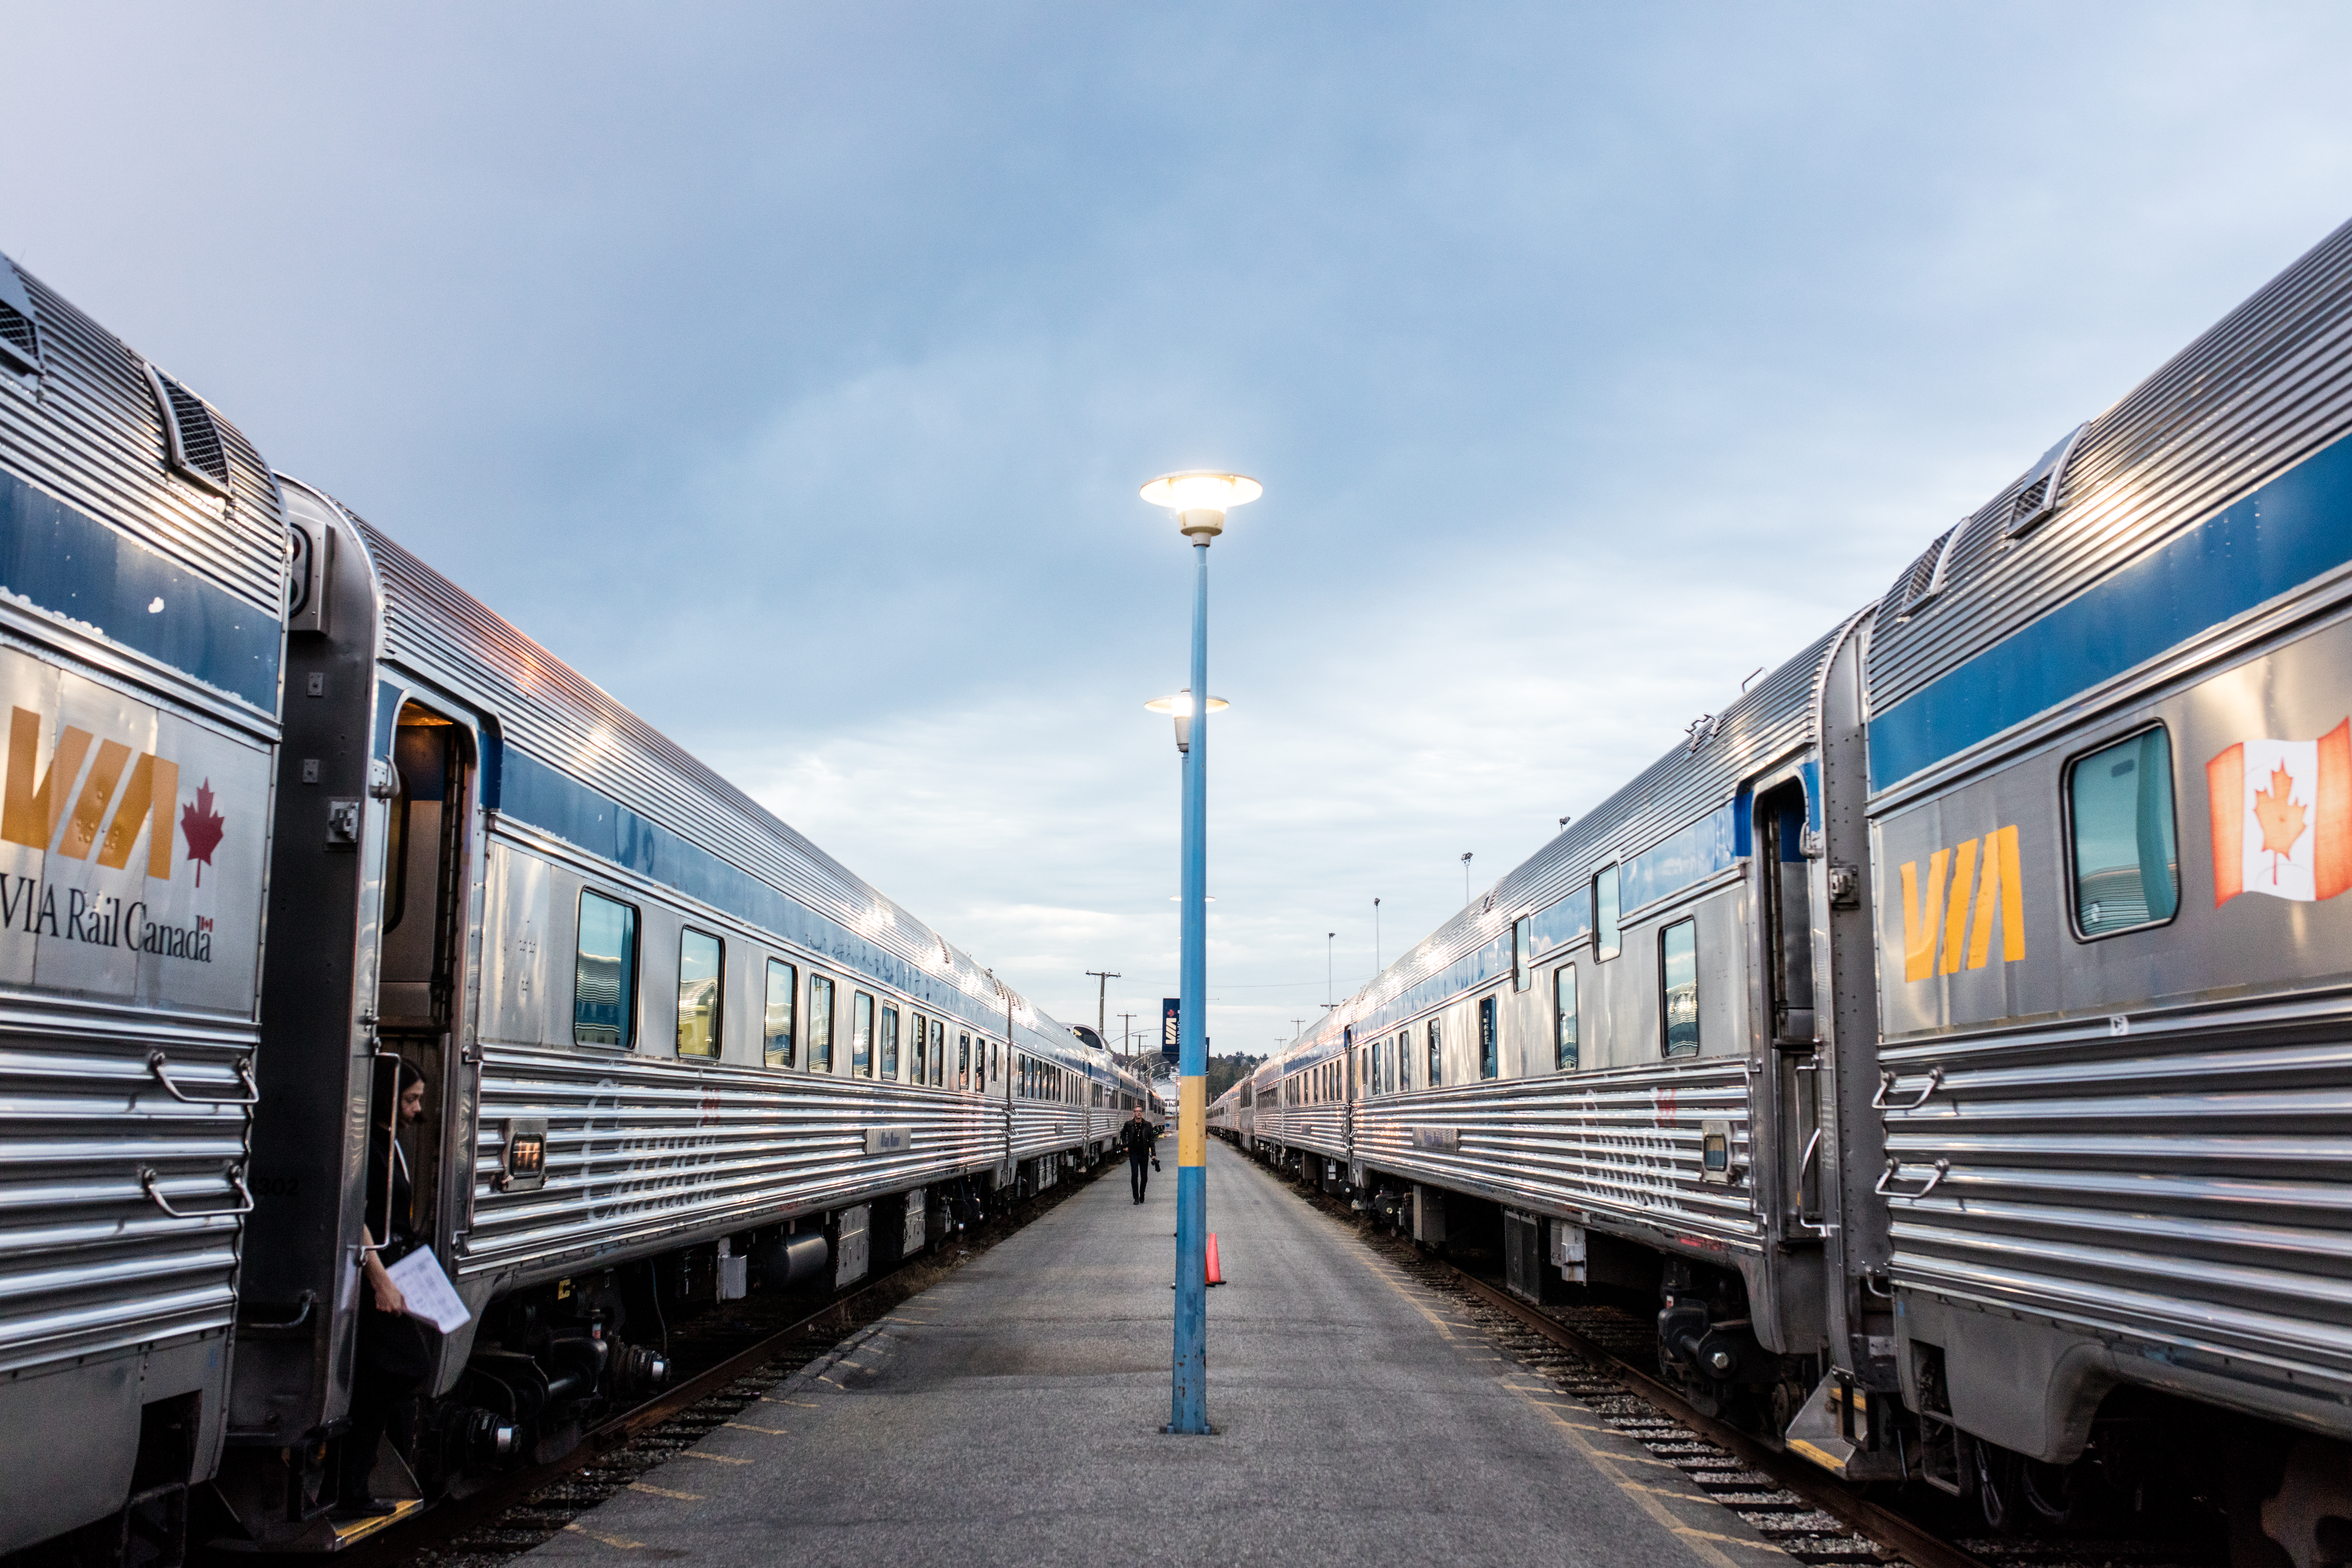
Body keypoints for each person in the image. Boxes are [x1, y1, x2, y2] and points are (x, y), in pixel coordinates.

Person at [337, 1057, 434, 1520]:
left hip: (391, 1271)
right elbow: (352, 1213)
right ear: (385, 1097)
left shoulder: (389, 1142)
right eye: (411, 1099)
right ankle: (348, 1479)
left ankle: (351, 1483)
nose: (417, 1110)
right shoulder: (365, 1147)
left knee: (386, 1374)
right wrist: (380, 1278)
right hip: (372, 1277)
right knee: (404, 1365)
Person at [1118, 1105, 1160, 1204]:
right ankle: (1136, 1198)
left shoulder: (1148, 1125)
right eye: (1137, 1111)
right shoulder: (1129, 1124)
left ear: (1142, 1113)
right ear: (1134, 1113)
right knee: (1135, 1175)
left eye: (1140, 1111)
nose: (1139, 1113)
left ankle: (1142, 1193)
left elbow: (1151, 1140)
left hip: (1144, 1154)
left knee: (1144, 1177)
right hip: (1133, 1153)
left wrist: (1154, 1154)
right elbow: (1123, 1134)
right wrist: (1125, 1146)